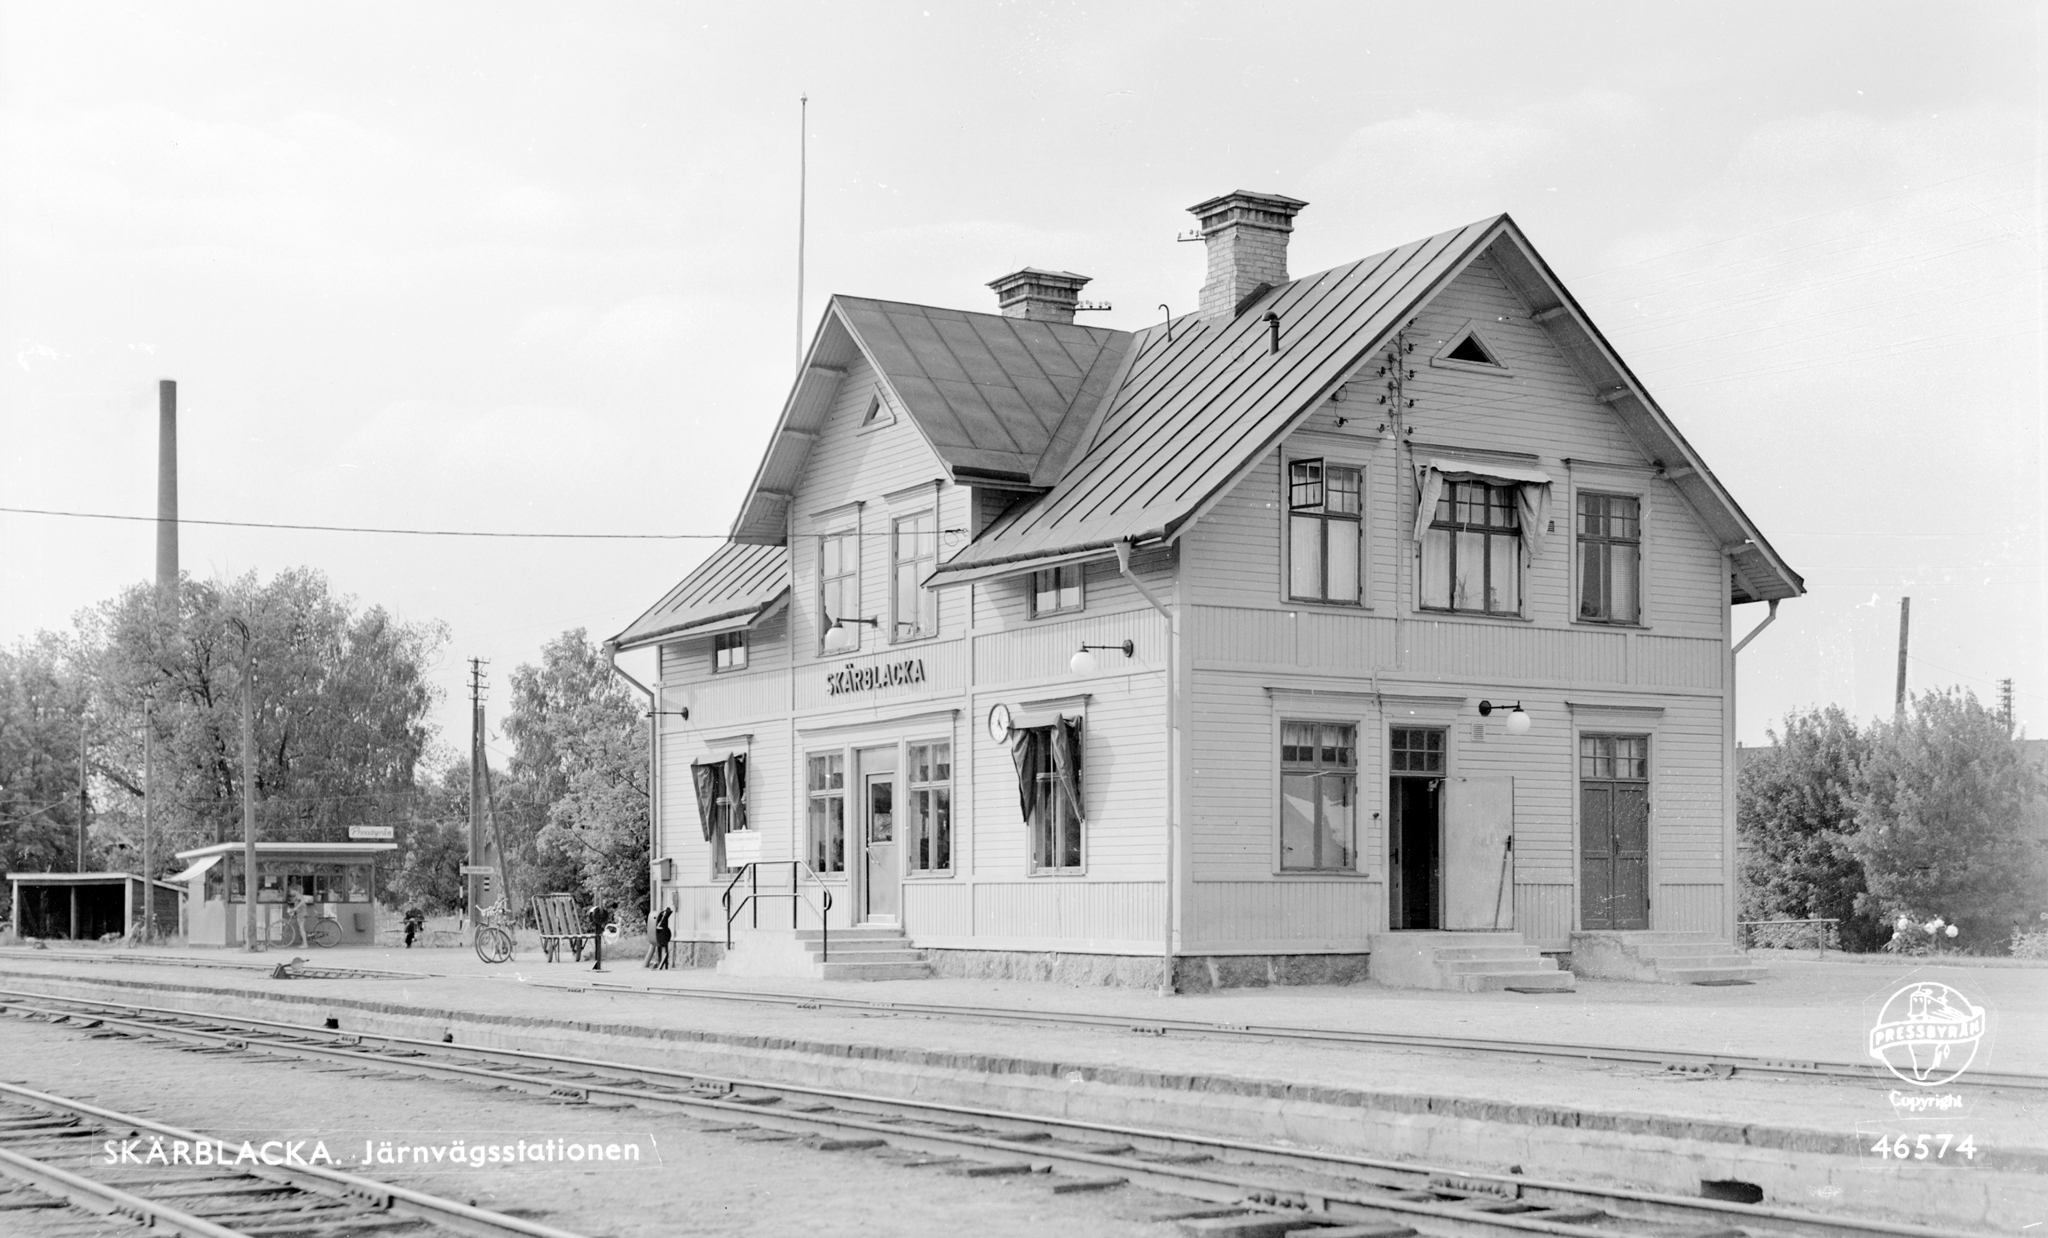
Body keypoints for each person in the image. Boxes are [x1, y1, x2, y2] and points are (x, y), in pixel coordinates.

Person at [588, 901, 612, 972]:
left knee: (598, 937)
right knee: (597, 937)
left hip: (598, 928)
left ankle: (598, 963)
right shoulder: (593, 915)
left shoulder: (601, 917)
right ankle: (597, 963)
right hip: (597, 928)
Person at [652, 904, 673, 970]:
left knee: (663, 949)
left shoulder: (664, 917)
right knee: (661, 949)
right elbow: (659, 925)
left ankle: (663, 963)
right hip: (661, 935)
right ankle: (661, 963)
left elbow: (660, 925)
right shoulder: (662, 916)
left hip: (663, 935)